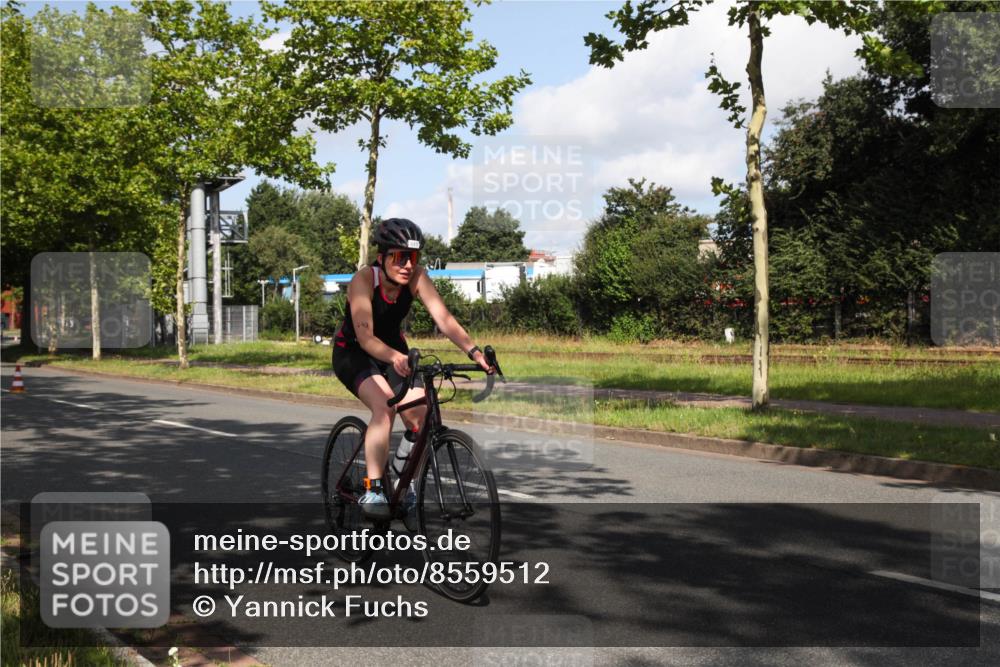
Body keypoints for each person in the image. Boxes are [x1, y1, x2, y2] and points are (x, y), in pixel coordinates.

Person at [332, 218, 492, 524]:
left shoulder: (417, 277)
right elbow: (365, 337)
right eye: (399, 257)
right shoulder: (364, 280)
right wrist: (395, 357)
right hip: (354, 352)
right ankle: (374, 489)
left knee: (421, 417)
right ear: (382, 257)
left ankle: (403, 483)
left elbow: (444, 319)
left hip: (394, 351)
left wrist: (474, 352)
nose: (407, 265)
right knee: (384, 407)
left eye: (413, 257)